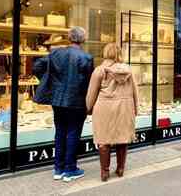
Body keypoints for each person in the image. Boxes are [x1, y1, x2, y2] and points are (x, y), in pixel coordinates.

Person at [33, 27, 93, 182]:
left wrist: (50, 82)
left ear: (69, 37)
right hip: (77, 101)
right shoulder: (86, 57)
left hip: (58, 99)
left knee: (60, 132)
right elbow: (89, 83)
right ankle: (70, 169)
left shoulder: (56, 53)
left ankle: (58, 169)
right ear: (83, 39)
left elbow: (37, 66)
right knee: (73, 133)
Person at [86, 43, 138, 182]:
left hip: (104, 107)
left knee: (103, 139)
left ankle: (104, 172)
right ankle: (120, 169)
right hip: (125, 107)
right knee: (123, 138)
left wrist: (88, 108)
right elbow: (135, 91)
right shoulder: (129, 70)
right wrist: (136, 109)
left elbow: (92, 93)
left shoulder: (99, 70)